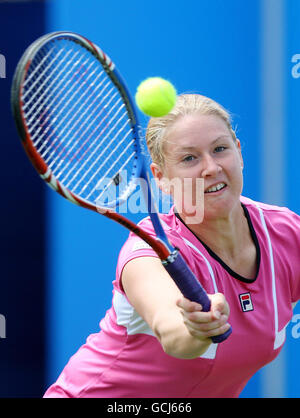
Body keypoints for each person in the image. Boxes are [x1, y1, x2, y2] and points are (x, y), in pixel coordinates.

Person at [44, 94, 300, 398]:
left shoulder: (286, 234)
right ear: (161, 178)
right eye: (190, 158)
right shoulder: (146, 252)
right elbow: (173, 333)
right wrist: (196, 326)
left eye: (220, 149)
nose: (211, 167)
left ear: (239, 153)